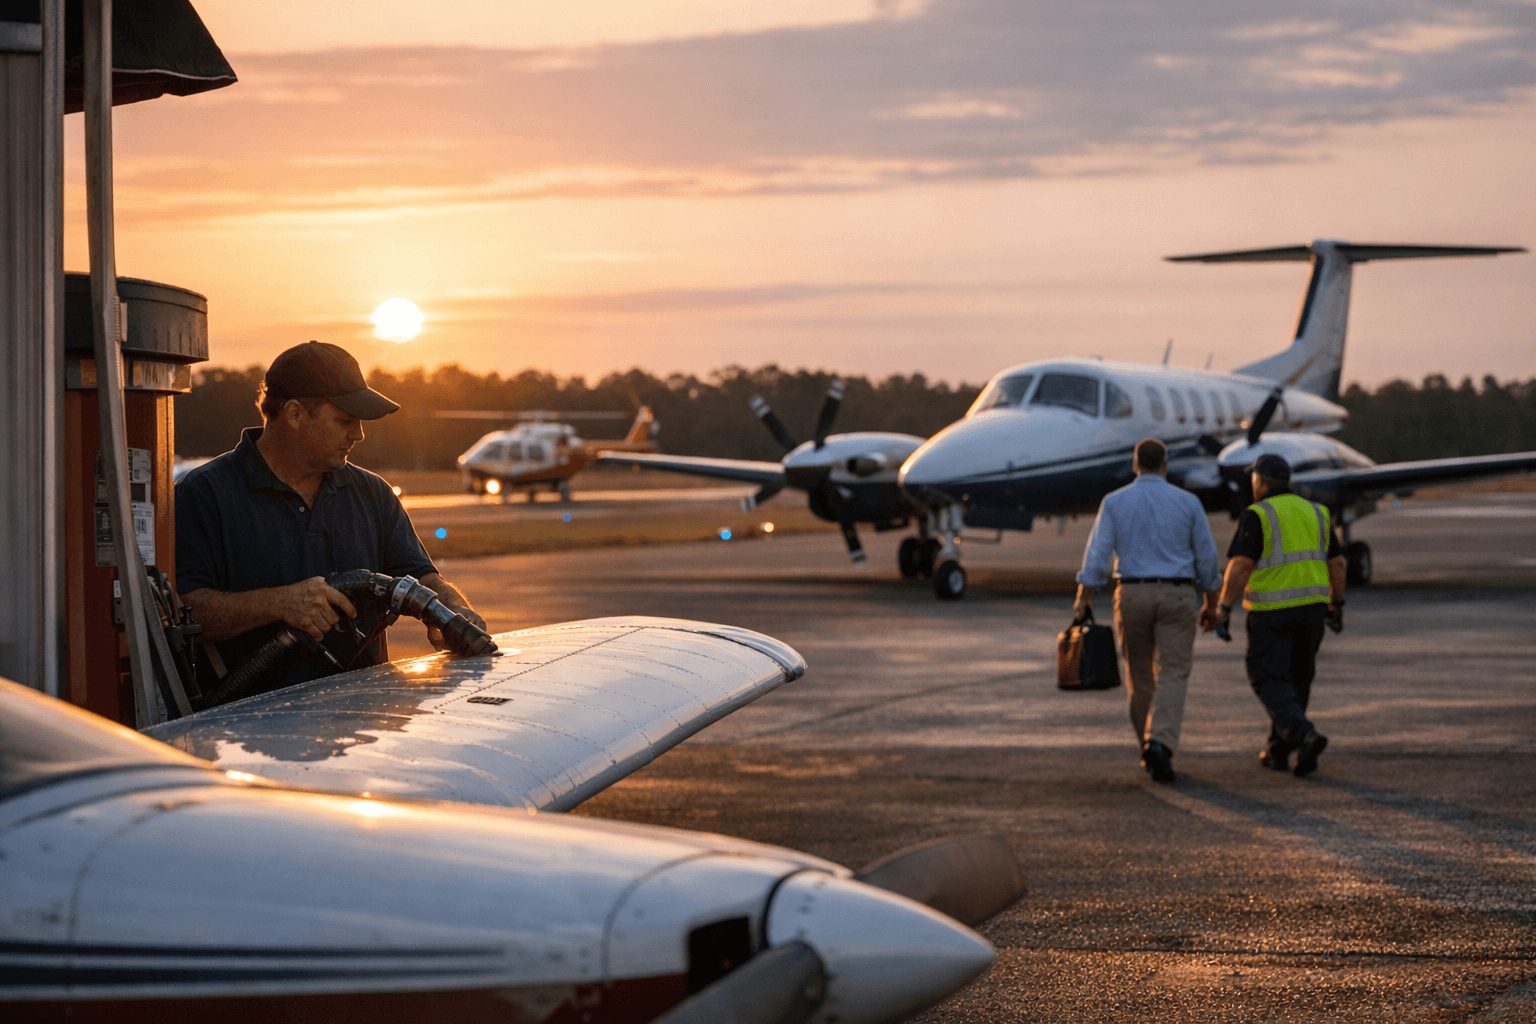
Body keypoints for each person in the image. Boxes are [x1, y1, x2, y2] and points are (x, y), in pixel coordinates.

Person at [176, 341, 486, 698]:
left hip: (359, 728)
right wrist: (279, 603)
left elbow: (421, 576)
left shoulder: (373, 494)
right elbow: (185, 614)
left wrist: (455, 611)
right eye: (344, 420)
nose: (358, 434)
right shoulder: (203, 495)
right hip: (247, 735)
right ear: (294, 414)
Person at [1074, 437, 1222, 783]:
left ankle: (1146, 745)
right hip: (1177, 595)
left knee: (1139, 677)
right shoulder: (1188, 502)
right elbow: (1207, 558)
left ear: (1135, 464)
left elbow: (1097, 555)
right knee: (1172, 672)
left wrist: (1084, 597)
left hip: (1132, 594)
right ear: (1165, 464)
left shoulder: (1114, 502)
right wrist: (1211, 603)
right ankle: (1160, 744)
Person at [1205, 453, 1346, 777]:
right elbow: (1337, 564)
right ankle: (1279, 750)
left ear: (1260, 481)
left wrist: (1223, 608)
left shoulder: (1258, 513)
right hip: (1312, 611)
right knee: (1297, 680)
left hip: (1271, 612)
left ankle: (1304, 736)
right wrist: (1336, 606)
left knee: (1267, 678)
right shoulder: (1318, 512)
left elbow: (1241, 565)